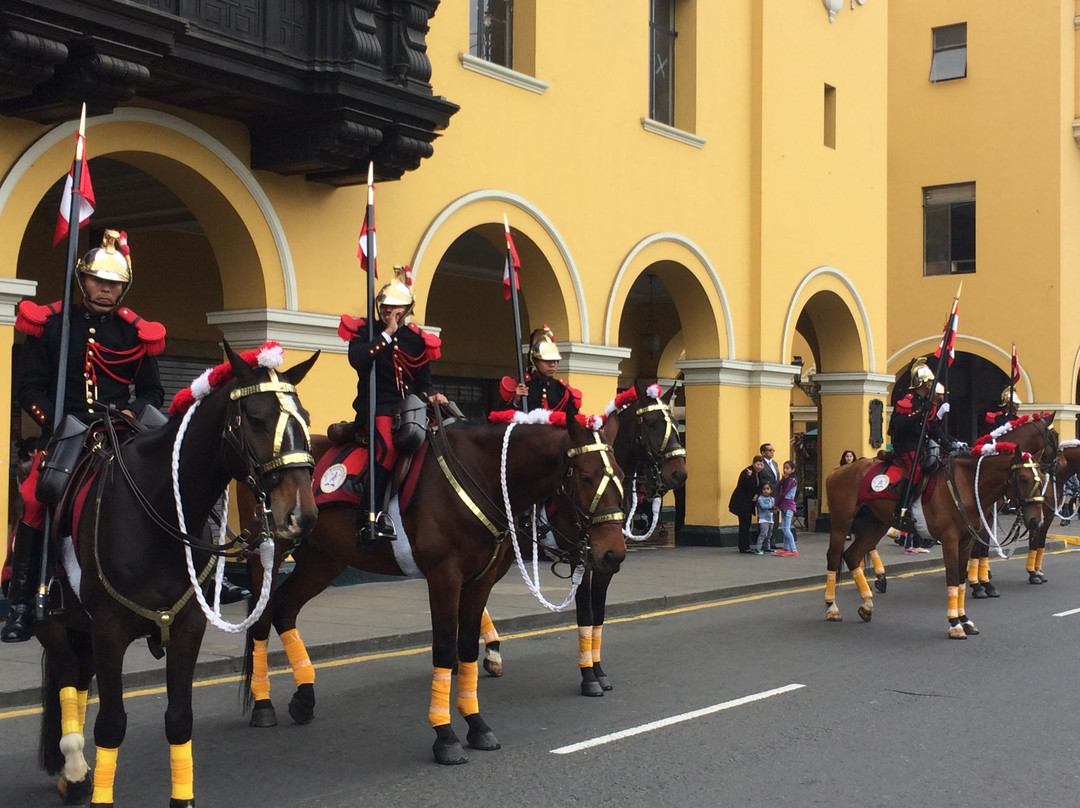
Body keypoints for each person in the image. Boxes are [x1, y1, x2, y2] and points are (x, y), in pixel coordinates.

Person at [3, 230, 172, 641]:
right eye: (98, 281)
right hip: (68, 432)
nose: (105, 289)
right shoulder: (52, 326)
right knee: (33, 497)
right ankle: (23, 599)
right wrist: (57, 421)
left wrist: (132, 412)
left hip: (120, 431)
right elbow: (29, 387)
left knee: (172, 483)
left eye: (113, 284)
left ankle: (192, 579)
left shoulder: (135, 333)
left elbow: (152, 391)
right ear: (83, 281)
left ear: (122, 288)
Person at [346, 265, 447, 546]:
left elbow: (423, 382)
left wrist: (432, 395)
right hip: (378, 407)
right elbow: (359, 360)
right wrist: (386, 334)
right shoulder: (366, 333)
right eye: (388, 309)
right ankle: (369, 516)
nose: (393, 314)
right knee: (387, 448)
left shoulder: (417, 340)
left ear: (408, 309)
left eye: (399, 309)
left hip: (411, 408)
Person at [888, 359, 937, 531]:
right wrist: (920, 413)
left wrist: (949, 442)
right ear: (922, 383)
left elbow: (932, 428)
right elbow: (900, 425)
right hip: (905, 444)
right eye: (929, 381)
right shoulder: (908, 400)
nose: (931, 384)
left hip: (919, 444)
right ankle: (903, 507)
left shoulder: (926, 402)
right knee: (915, 470)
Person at [499, 325, 581, 413]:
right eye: (547, 361)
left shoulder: (562, 390)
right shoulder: (522, 385)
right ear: (535, 361)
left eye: (555, 361)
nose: (552, 365)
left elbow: (573, 419)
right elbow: (503, 415)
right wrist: (516, 400)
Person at [728, 455, 764, 553]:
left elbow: (760, 486)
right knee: (744, 525)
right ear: (753, 463)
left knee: (747, 524)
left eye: (761, 465)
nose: (760, 467)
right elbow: (742, 484)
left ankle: (745, 545)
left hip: (749, 503)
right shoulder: (747, 472)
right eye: (758, 464)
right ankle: (744, 547)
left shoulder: (759, 474)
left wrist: (757, 493)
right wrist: (747, 477)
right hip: (742, 502)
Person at [775, 460, 798, 556]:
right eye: (784, 468)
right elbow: (778, 487)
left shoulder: (792, 480)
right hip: (784, 505)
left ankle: (793, 549)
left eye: (787, 468)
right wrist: (782, 480)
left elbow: (783, 493)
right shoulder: (787, 480)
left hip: (788, 505)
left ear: (792, 470)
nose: (785, 470)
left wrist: (776, 504)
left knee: (786, 528)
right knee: (784, 527)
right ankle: (785, 547)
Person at [754, 481, 776, 554]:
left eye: (768, 489)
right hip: (763, 519)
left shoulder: (772, 499)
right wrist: (772, 507)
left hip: (770, 518)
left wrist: (775, 509)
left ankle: (767, 547)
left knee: (769, 534)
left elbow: (774, 508)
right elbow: (763, 506)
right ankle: (758, 547)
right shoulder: (760, 499)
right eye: (764, 489)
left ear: (771, 490)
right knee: (763, 533)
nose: (766, 491)